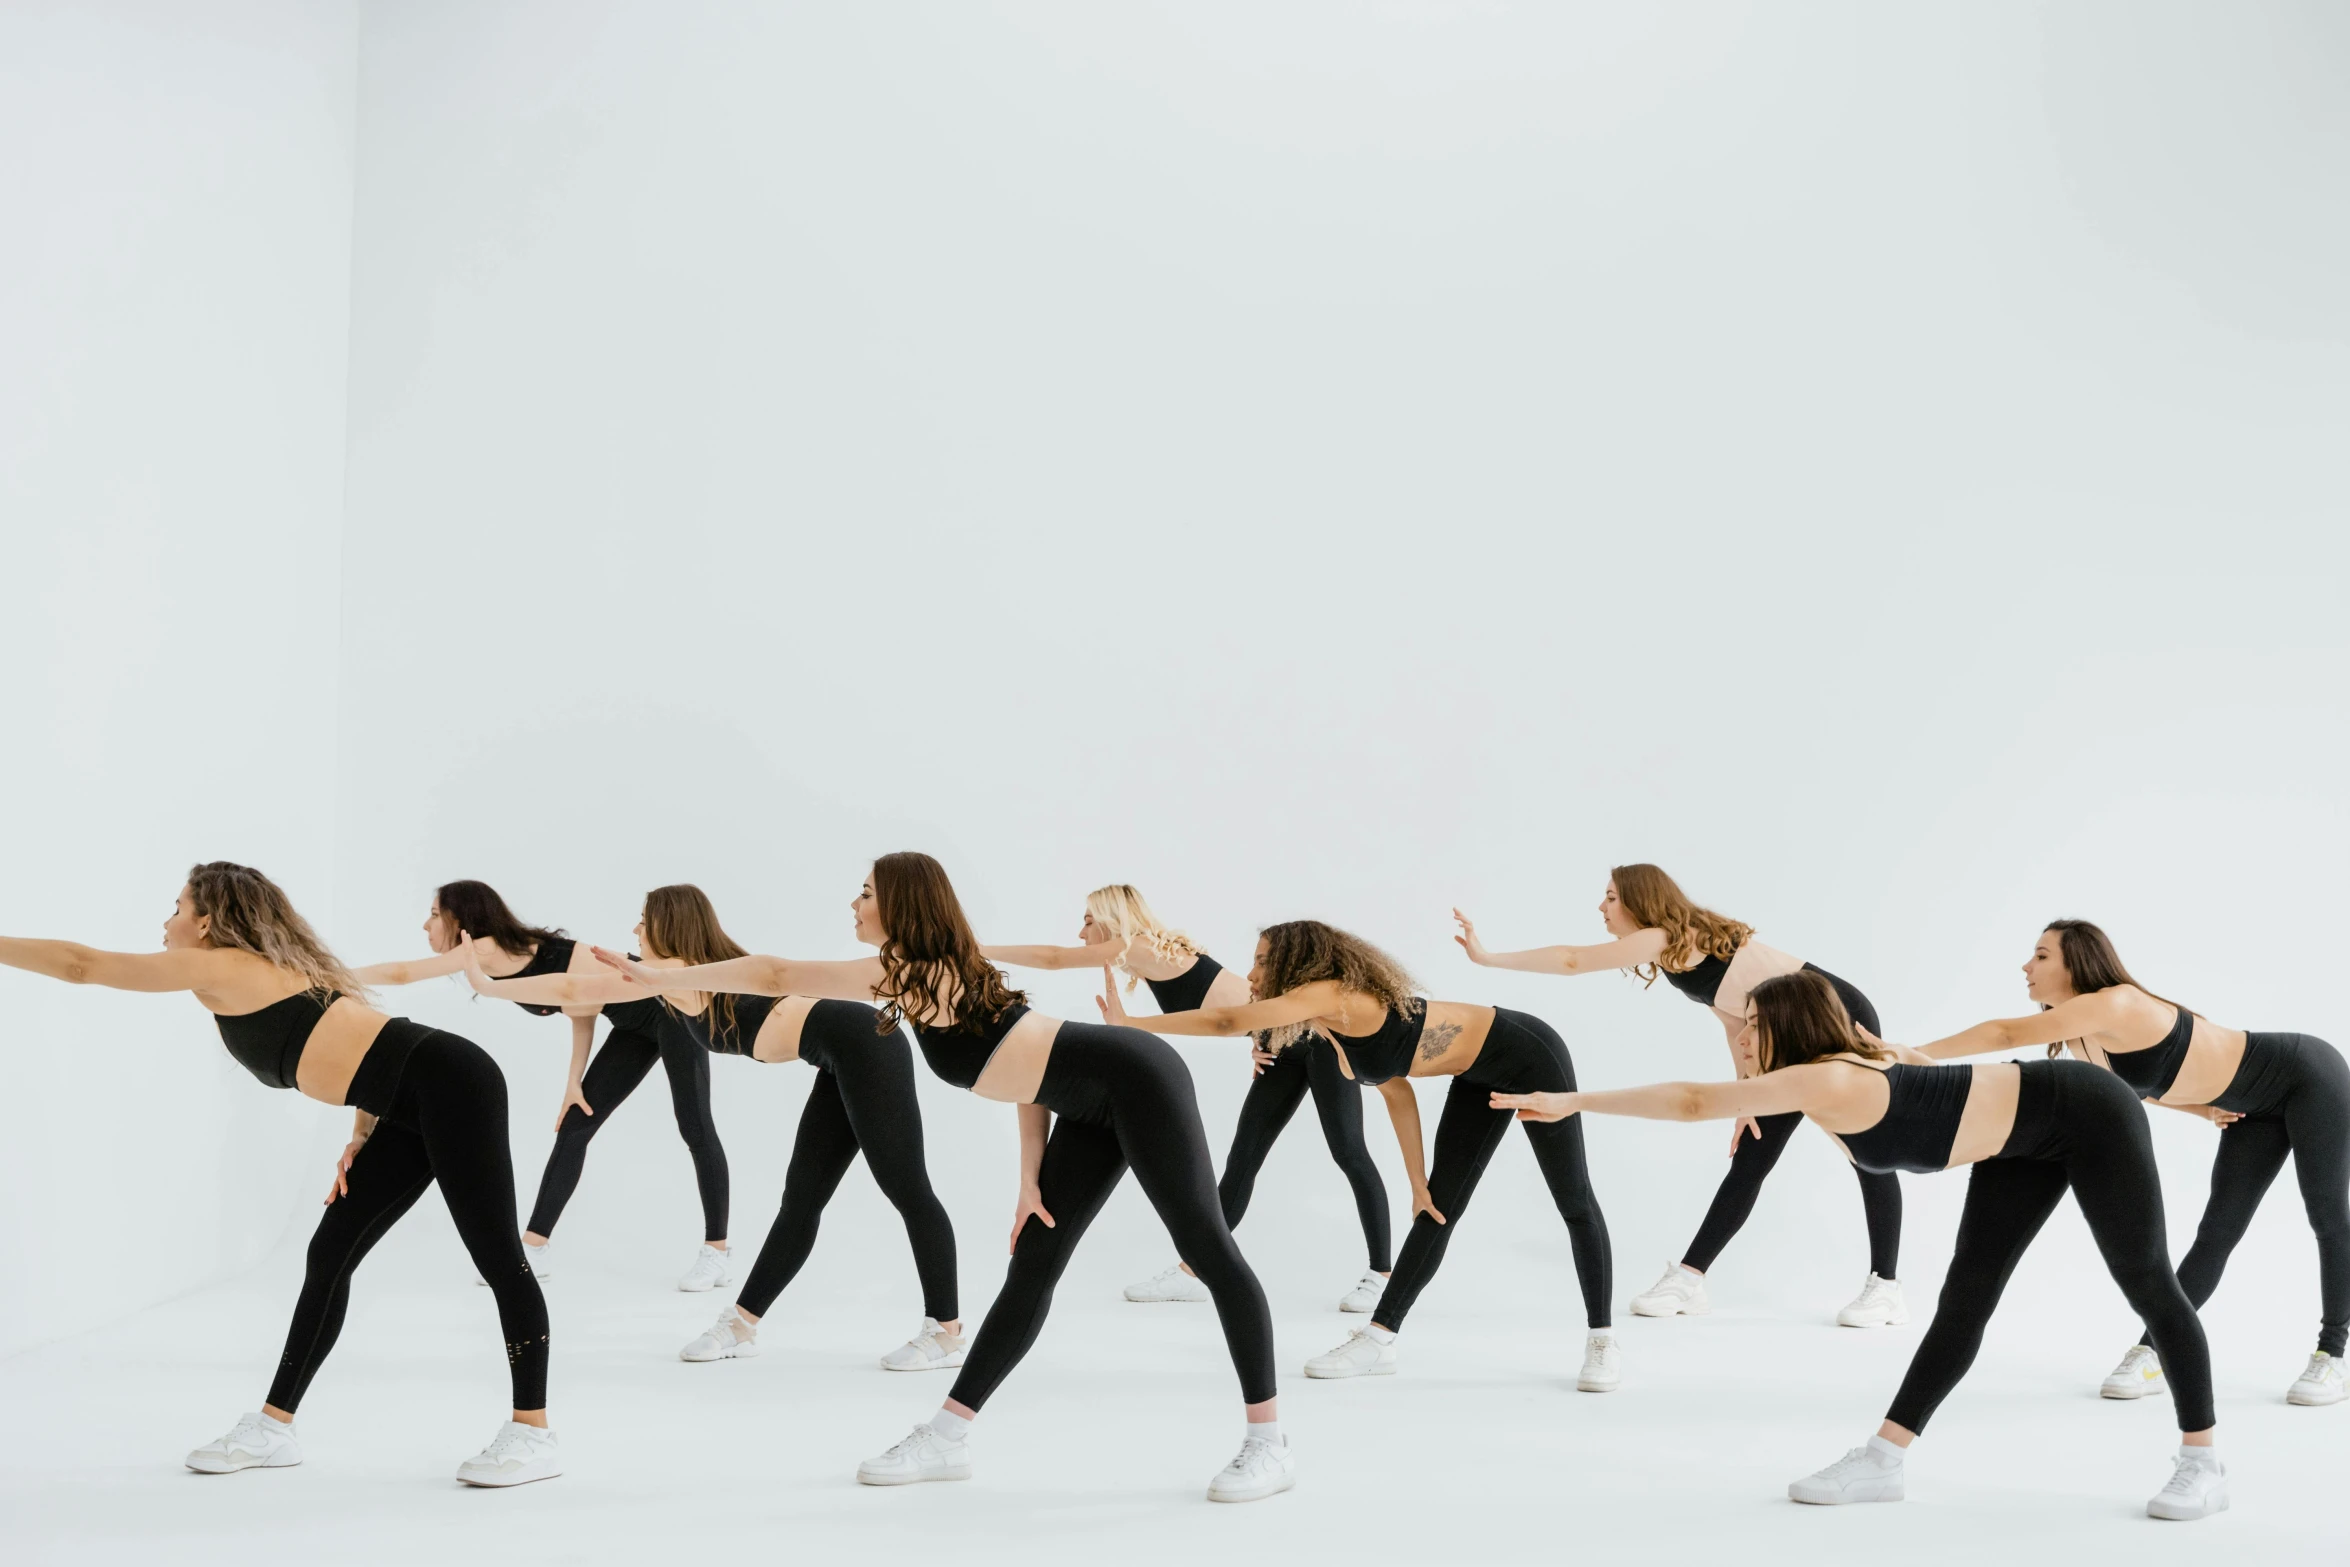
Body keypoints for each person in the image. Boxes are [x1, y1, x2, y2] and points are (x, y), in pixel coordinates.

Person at [592, 853, 1295, 1503]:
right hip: (1089, 1098)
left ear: (899, 905)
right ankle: (947, 1435)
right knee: (1033, 1266)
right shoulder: (925, 971)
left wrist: (662, 978)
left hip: (1138, 1078)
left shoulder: (916, 972)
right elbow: (1036, 1072)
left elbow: (776, 975)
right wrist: (1029, 1180)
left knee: (1207, 1247)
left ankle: (1269, 1442)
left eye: (866, 892)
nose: (855, 903)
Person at [1498, 968, 2227, 1520]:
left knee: (2147, 1281)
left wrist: (1573, 1098)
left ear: (1789, 1026)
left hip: (2085, 1108)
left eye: (1752, 1022)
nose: (1742, 1036)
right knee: (1965, 1297)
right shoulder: (1817, 1079)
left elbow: (1693, 1099)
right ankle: (1884, 1459)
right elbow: (1746, 1099)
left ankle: (2204, 1462)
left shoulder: (1831, 1079)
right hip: (2020, 1138)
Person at [0, 863, 560, 1486]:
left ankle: (532, 1435)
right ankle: (273, 1429)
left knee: (498, 1257)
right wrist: (364, 1133)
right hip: (410, 1097)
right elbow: (371, 1046)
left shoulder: (219, 965)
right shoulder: (268, 970)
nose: (166, 921)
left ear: (207, 921)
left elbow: (83, 964)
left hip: (452, 1082)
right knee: (329, 1255)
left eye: (177, 907)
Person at [1100, 920, 1619, 1392]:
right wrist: (1417, 1182)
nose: (1252, 971)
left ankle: (1601, 1341)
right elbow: (1398, 1093)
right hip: (1477, 1077)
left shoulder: (1332, 995)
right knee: (1437, 1209)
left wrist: (1134, 1024)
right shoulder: (1329, 1024)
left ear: (1293, 965)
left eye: (1261, 960)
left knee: (1572, 1198)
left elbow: (1226, 1020)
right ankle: (1379, 1338)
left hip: (1532, 1055)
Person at [460, 883, 962, 1371]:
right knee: (801, 1200)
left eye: (643, 919)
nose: (635, 929)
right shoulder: (669, 976)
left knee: (907, 1188)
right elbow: (578, 992)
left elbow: (573, 987)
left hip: (866, 1044)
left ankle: (946, 1332)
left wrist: (488, 984)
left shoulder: (678, 971)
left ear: (667, 925)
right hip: (835, 1057)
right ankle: (741, 1326)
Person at [1917, 919, 2349, 1407]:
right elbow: (2138, 1091)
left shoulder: (2116, 1002)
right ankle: (2154, 1350)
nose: (2026, 966)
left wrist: (1915, 1056)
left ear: (2076, 960)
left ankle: (2331, 1354)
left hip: (2305, 1074)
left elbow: (2003, 1032)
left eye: (2041, 955)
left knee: (2328, 1218)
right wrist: (2202, 1108)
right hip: (2249, 1109)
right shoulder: (2085, 1039)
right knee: (2217, 1233)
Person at [1456, 865, 1904, 1327]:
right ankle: (1690, 1280)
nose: (1601, 907)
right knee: (1753, 1153)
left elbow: (1573, 960)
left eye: (1610, 897)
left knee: (1865, 1148)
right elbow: (1736, 1023)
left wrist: (1489, 959)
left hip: (1836, 1017)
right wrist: (1743, 1099)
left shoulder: (1665, 935)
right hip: (1782, 1035)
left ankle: (1887, 1288)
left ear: (1639, 901)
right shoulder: (1681, 951)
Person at [984, 883, 1390, 1313]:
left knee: (1349, 1151)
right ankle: (1193, 1271)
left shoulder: (1137, 945)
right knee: (1242, 1161)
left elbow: (1055, 959)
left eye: (1088, 921)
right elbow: (1239, 1004)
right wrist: (1258, 1037)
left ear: (1112, 918)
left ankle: (1381, 1274)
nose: (1082, 934)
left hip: (1323, 1041)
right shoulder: (1147, 953)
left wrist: (975, 949)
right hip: (1281, 1044)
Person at [356, 879, 732, 1290]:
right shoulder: (509, 951)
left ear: (459, 919)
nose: (425, 925)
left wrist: (331, 974)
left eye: (433, 915)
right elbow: (581, 1008)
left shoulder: (481, 950)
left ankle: (717, 1251)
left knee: (695, 1125)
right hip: (630, 1024)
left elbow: (403, 973)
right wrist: (574, 1081)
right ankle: (534, 1247)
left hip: (672, 1011)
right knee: (574, 1127)